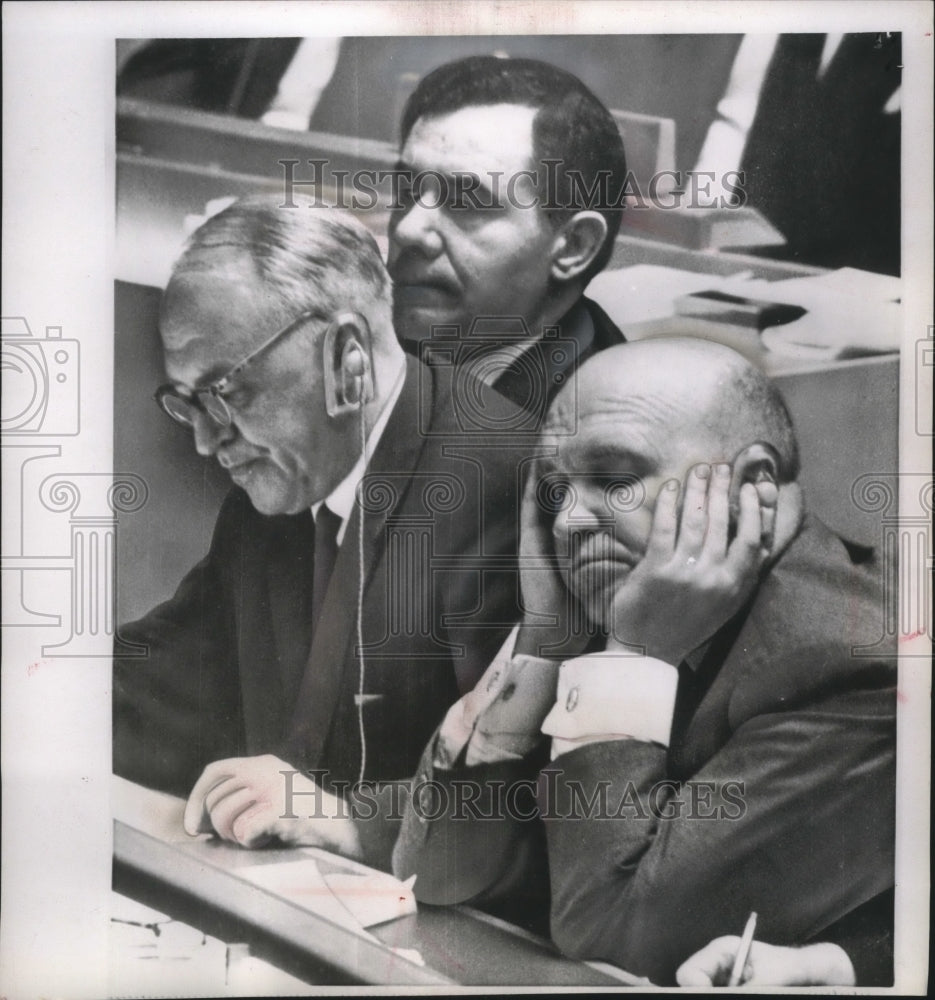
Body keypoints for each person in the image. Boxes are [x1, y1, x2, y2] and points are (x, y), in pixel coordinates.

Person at [393, 339, 896, 985]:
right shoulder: (641, 598)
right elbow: (437, 873)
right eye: (552, 490)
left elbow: (613, 934)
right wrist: (542, 642)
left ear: (753, 486)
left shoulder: (851, 663)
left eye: (616, 479)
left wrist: (634, 656)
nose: (569, 520)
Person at [113, 194, 529, 868]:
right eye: (187, 403)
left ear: (346, 356)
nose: (204, 440)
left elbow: (531, 795)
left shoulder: (506, 490)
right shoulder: (278, 487)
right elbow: (168, 683)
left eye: (225, 393)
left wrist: (347, 819)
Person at [387, 55, 628, 419]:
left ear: (575, 246)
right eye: (407, 188)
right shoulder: (365, 344)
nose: (408, 229)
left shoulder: (593, 434)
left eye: (466, 200)